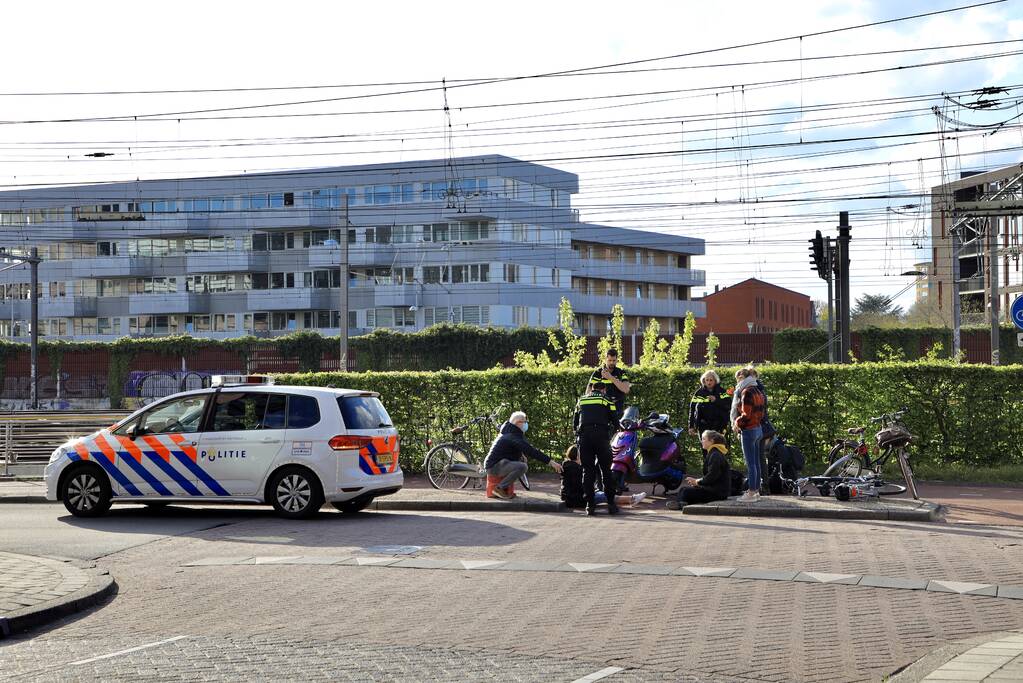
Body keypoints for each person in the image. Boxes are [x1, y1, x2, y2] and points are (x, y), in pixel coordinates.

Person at [484, 410, 562, 500]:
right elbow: (531, 450)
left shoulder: (510, 432)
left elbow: (512, 448)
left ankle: (503, 489)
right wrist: (551, 462)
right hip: (494, 467)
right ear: (518, 423)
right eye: (525, 422)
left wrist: (521, 455)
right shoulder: (512, 436)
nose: (526, 424)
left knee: (520, 464)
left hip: (497, 463)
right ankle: (499, 488)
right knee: (522, 467)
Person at [573, 384, 619, 515]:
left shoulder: (581, 399)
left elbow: (575, 422)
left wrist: (578, 436)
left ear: (592, 389)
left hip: (585, 437)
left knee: (587, 471)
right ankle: (611, 504)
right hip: (601, 436)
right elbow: (615, 420)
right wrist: (612, 432)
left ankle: (590, 505)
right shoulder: (606, 399)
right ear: (603, 389)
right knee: (606, 471)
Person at [561, 445, 646, 509]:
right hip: (578, 499)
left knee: (603, 494)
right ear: (578, 456)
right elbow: (580, 486)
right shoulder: (576, 469)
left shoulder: (568, 466)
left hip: (572, 497)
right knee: (606, 496)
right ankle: (632, 499)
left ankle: (631, 498)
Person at [666, 430, 731, 510]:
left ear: (712, 441)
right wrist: (698, 483)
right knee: (684, 490)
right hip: (717, 490)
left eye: (704, 439)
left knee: (686, 491)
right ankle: (682, 503)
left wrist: (697, 482)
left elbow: (712, 476)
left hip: (717, 492)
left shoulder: (715, 455)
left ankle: (681, 504)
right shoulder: (715, 453)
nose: (701, 441)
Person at [731, 367, 766, 502]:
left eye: (737, 379)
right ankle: (756, 491)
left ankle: (751, 492)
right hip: (758, 429)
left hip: (749, 430)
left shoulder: (746, 391)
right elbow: (761, 413)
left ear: (741, 378)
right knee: (756, 462)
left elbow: (746, 414)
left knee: (750, 463)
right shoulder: (758, 390)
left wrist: (736, 423)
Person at [688, 370, 730, 455]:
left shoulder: (722, 392)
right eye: (707, 380)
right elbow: (692, 410)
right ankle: (707, 467)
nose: (709, 382)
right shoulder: (699, 393)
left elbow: (728, 405)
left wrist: (716, 400)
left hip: (719, 425)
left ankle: (719, 467)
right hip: (703, 425)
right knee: (705, 451)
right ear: (703, 381)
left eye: (711, 380)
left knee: (719, 448)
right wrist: (691, 426)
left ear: (715, 381)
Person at [589, 348, 631, 415]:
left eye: (614, 360)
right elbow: (588, 392)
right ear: (605, 359)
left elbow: (626, 389)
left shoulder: (621, 372)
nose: (612, 362)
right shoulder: (597, 373)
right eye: (609, 360)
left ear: (617, 360)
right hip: (602, 408)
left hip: (617, 408)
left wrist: (610, 378)